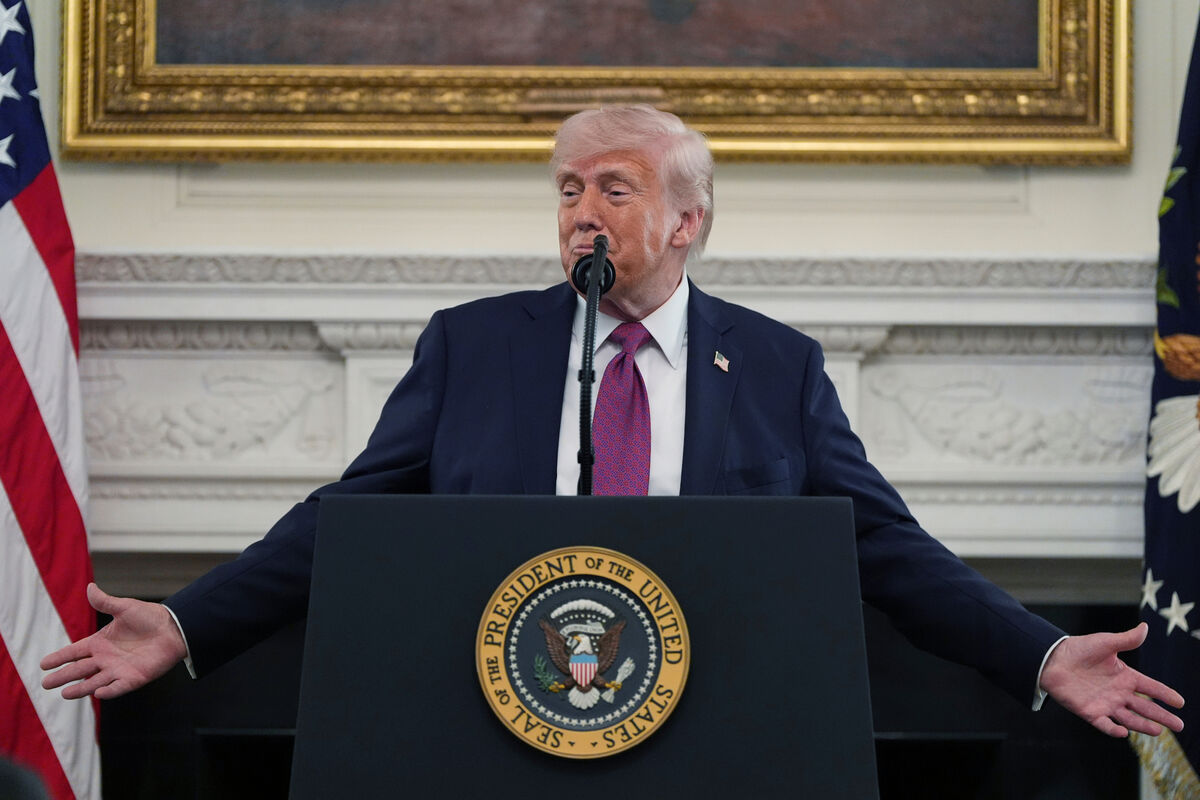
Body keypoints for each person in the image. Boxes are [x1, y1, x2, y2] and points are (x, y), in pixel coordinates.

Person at [43, 105, 1183, 740]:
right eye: (566, 189)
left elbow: (883, 545)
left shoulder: (775, 366)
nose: (581, 211)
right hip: (499, 723)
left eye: (614, 188)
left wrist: (1038, 648)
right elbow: (341, 519)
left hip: (713, 733)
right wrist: (188, 623)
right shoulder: (475, 344)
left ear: (687, 221)